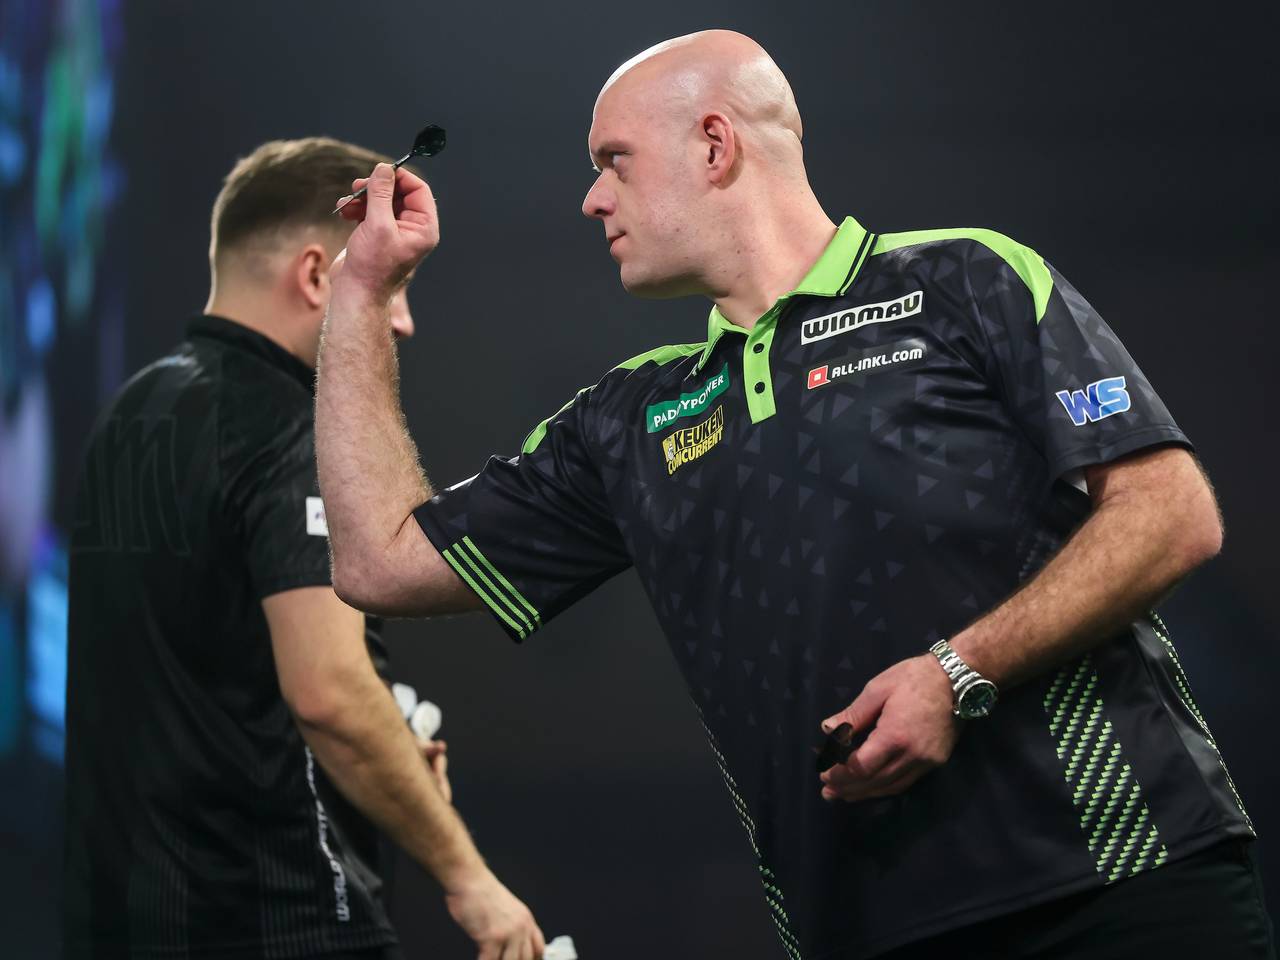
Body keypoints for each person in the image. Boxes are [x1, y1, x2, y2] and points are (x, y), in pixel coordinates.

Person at [315, 31, 1274, 960]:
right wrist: (360, 294)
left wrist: (957, 671)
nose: (591, 198)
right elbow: (377, 563)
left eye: (613, 161)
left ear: (715, 144)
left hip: (1122, 878)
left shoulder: (963, 279)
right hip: (860, 931)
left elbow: (1169, 514)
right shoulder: (627, 420)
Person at [64, 137, 545, 960]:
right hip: (277, 924)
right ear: (320, 275)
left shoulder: (128, 416)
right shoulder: (289, 423)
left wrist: (390, 750)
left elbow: (208, 672)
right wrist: (470, 879)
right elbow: (329, 691)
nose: (404, 321)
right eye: (394, 286)